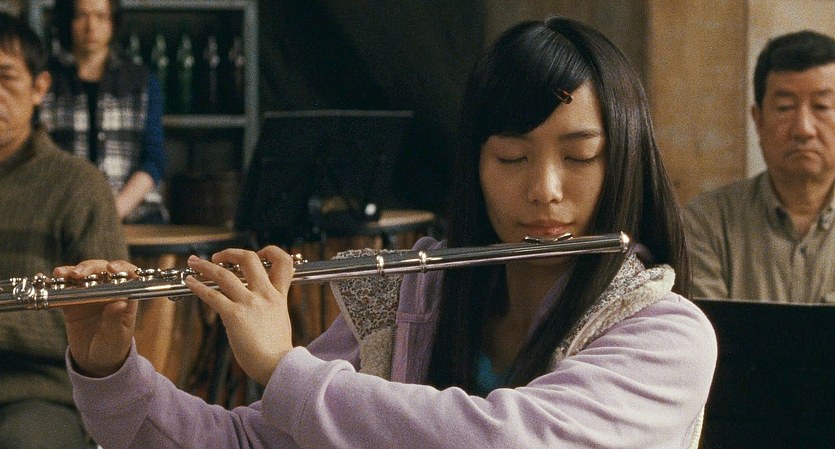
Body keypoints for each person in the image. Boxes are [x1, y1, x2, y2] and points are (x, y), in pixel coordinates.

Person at [57, 17, 716, 448]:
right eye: (512, 157)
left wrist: (285, 369)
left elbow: (508, 441)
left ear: (624, 162)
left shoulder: (666, 336)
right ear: (475, 167)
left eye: (579, 156)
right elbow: (252, 441)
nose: (544, 188)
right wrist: (110, 368)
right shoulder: (412, 295)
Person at [0, 12, 128, 448]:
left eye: (5, 77)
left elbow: (108, 317)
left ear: (39, 87)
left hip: (41, 394)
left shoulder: (78, 186)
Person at [685, 30, 835, 302]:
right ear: (758, 120)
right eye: (785, 107)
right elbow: (704, 327)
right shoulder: (707, 223)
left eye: (822, 106)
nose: (803, 129)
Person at [39, 0, 168, 224]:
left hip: (134, 215)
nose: (91, 27)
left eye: (101, 16)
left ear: (113, 22)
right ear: (68, 21)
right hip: (63, 216)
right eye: (81, 16)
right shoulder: (45, 81)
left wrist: (113, 211)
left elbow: (154, 159)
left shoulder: (142, 81)